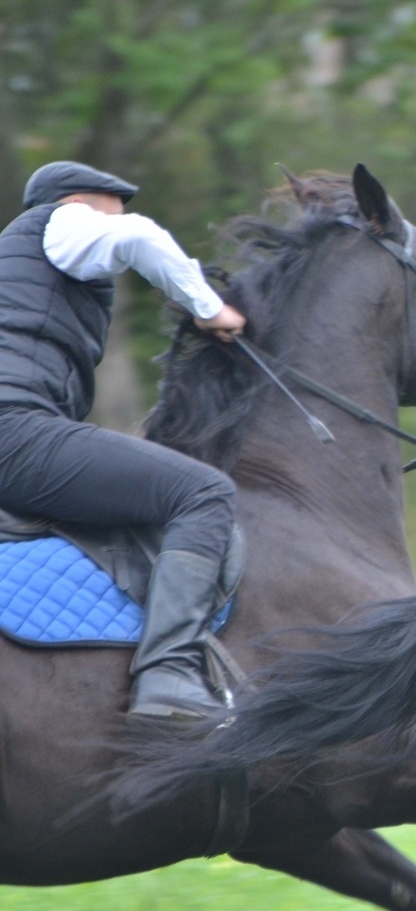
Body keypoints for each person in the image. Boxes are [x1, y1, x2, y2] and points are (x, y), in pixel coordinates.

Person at [0, 161, 247, 719]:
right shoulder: (61, 224)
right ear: (84, 201)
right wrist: (208, 307)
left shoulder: (16, 263)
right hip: (15, 430)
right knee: (202, 494)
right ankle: (168, 675)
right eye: (115, 206)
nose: (121, 216)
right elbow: (139, 237)